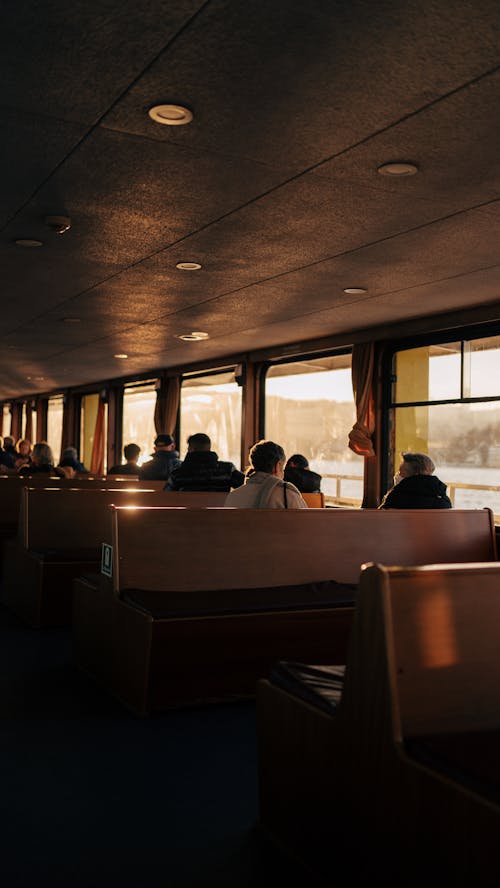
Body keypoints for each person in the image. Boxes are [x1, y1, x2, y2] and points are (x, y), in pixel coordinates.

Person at [224, 440, 307, 508]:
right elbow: (305, 524)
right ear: (277, 466)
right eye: (282, 468)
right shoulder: (287, 495)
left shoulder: (233, 497)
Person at [168, 433, 244, 492]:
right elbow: (243, 485)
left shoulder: (178, 474)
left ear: (191, 449)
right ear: (209, 448)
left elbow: (166, 495)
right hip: (219, 512)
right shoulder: (228, 469)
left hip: (188, 512)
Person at [379, 452, 452, 509]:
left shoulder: (395, 498)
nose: (397, 475)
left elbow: (379, 520)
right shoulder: (443, 500)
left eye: (400, 472)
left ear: (414, 475)